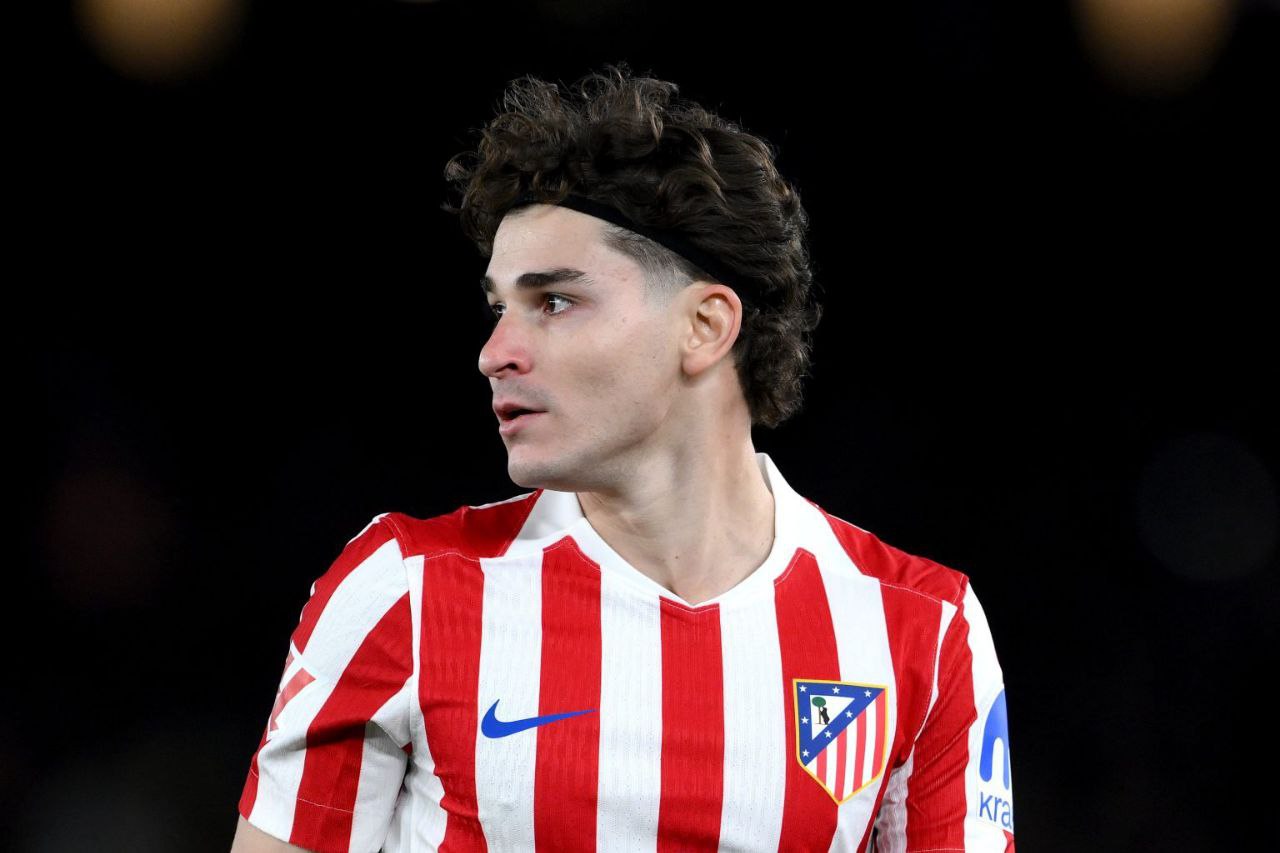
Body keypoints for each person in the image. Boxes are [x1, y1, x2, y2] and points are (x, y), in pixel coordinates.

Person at [230, 62, 1015, 853]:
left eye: (554, 301)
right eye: (500, 307)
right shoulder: (404, 589)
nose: (495, 352)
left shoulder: (922, 627)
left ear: (705, 326)